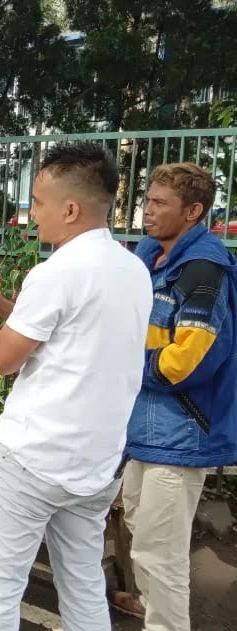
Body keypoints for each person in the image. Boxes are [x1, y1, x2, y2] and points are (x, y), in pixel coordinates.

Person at [0, 142, 153, 631]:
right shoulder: (133, 270)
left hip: (31, 460)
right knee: (82, 586)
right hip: (94, 466)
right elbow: (57, 341)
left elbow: (2, 358)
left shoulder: (57, 271)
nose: (32, 213)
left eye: (37, 202)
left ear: (71, 208)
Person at [109, 163, 237, 630]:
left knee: (158, 549)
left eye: (160, 204)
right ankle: (157, 605)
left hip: (182, 431)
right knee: (144, 530)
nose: (148, 211)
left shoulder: (204, 270)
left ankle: (167, 620)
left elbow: (190, 360)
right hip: (146, 424)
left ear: (194, 211)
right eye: (148, 200)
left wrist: (124, 365)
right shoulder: (150, 256)